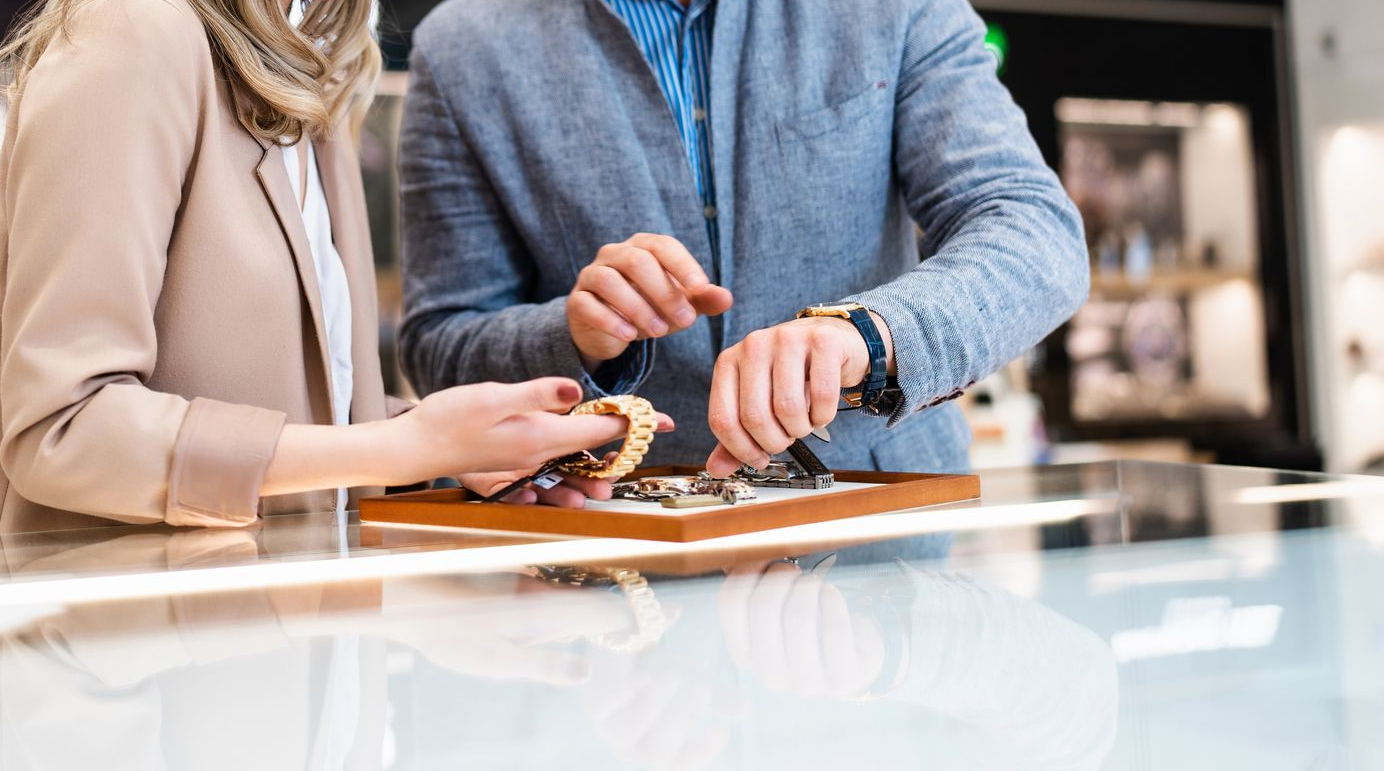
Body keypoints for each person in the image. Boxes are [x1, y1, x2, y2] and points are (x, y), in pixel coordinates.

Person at [0, 0, 656, 533]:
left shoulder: (316, 71)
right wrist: (405, 447)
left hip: (305, 656)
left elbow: (301, 406)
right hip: (153, 665)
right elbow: (60, 427)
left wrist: (459, 451)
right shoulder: (131, 29)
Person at [399, 0, 1089, 478]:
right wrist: (574, 336)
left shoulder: (893, 9)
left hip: (879, 547)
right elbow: (438, 344)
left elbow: (1033, 229)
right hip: (616, 566)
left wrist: (870, 337)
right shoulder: (463, 46)